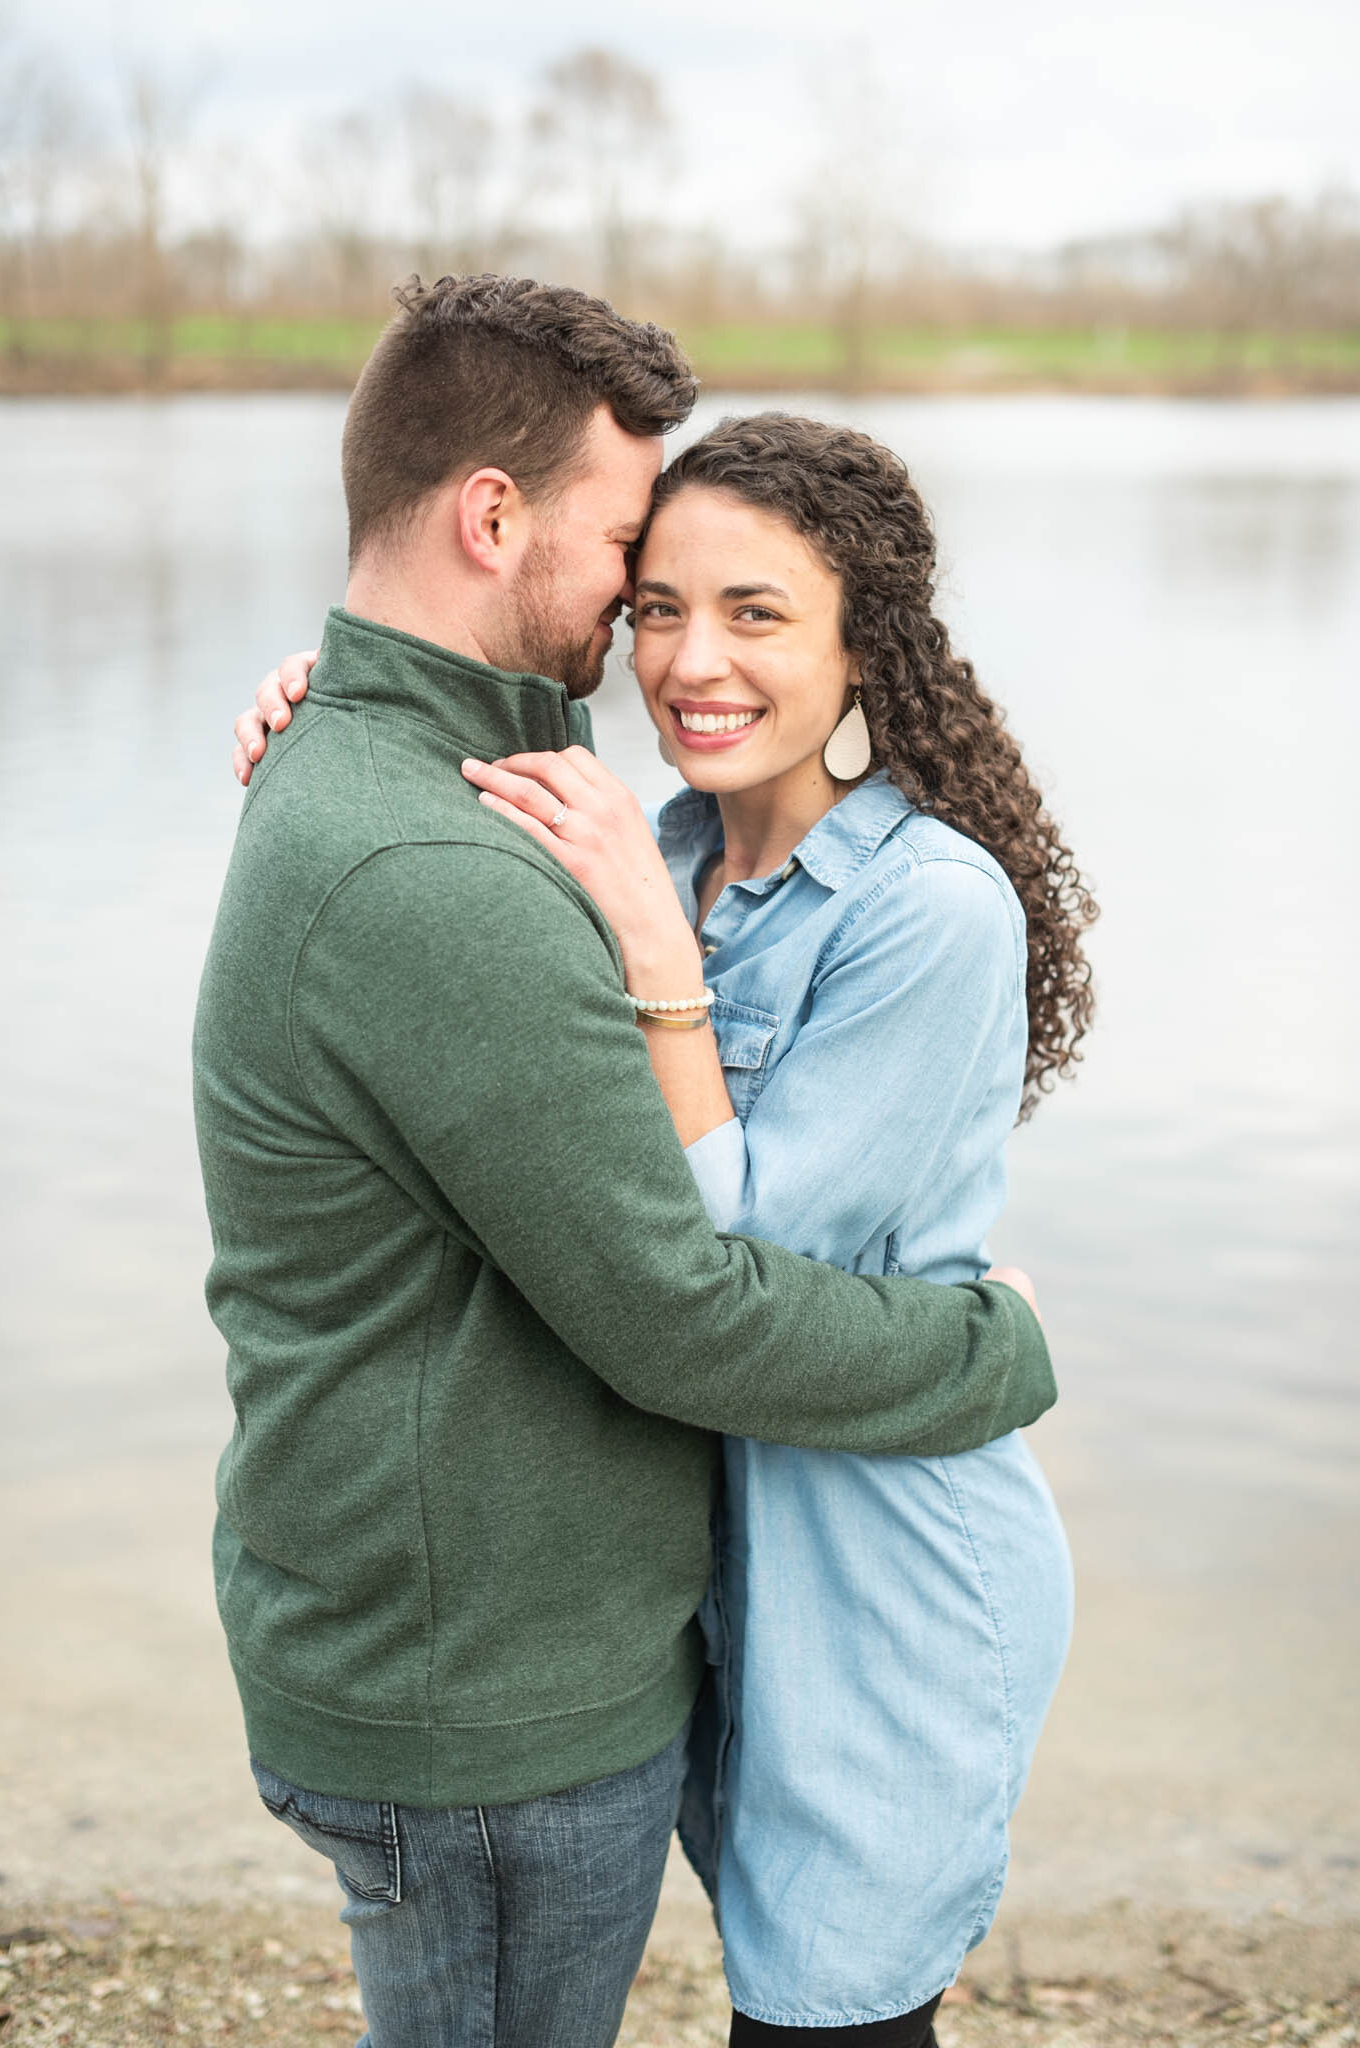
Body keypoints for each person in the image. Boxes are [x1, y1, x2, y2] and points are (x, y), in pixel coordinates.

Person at [197, 272, 1055, 2048]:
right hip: (667, 1590)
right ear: (496, 517)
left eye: (753, 610)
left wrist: (384, 719)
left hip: (862, 1553)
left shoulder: (910, 908)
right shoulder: (615, 842)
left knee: (838, 2017)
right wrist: (345, 695)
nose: (668, 651)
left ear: (858, 645)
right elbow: (693, 1312)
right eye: (644, 583)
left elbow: (735, 1263)